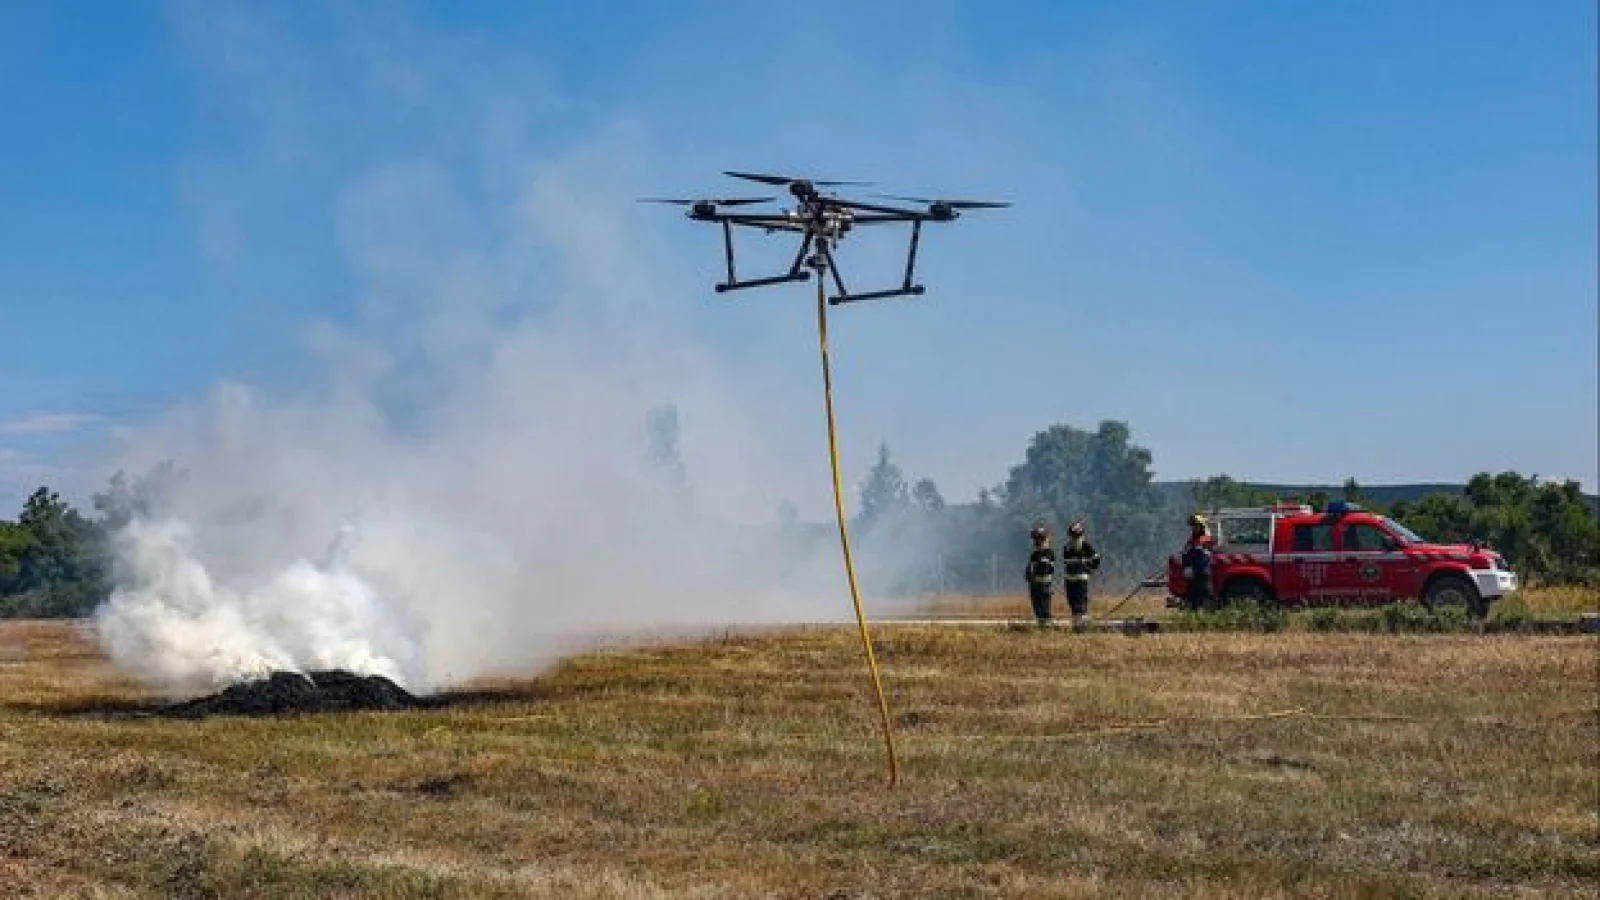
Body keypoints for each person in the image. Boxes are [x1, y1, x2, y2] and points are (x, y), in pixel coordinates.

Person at [1058, 520, 1101, 630]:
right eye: (1073, 535)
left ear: (1082, 535)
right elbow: (1066, 562)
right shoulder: (1067, 547)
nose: (1075, 538)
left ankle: (1082, 627)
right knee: (1072, 602)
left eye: (1077, 535)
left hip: (1081, 580)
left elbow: (1096, 558)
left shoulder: (1086, 546)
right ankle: (1077, 625)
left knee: (1081, 603)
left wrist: (1089, 568)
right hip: (1069, 580)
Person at [1181, 513, 1216, 611]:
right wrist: (1186, 567)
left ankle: (1208, 620)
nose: (1194, 528)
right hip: (1192, 576)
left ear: (1201, 526)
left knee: (1206, 598)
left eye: (1196, 526)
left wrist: (1194, 568)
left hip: (1203, 574)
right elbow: (1185, 554)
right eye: (1193, 526)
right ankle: (1193, 620)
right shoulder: (1191, 540)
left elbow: (1204, 557)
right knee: (1191, 600)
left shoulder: (1206, 539)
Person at [1024, 525, 1056, 625]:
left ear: (1046, 539)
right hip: (1034, 586)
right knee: (1037, 609)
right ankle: (1042, 628)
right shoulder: (1034, 555)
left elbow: (1046, 569)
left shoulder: (1049, 553)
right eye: (1035, 539)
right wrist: (1029, 576)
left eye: (1039, 539)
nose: (1037, 542)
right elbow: (1029, 570)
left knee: (1044, 609)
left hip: (1044, 586)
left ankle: (1047, 629)